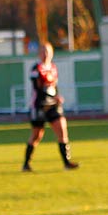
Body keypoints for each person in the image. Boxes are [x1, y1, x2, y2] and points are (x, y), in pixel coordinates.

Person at [23, 44, 77, 172]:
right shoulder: (36, 69)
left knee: (62, 130)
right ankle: (26, 164)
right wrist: (52, 96)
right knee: (37, 135)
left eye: (48, 51)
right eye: (43, 51)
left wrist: (57, 96)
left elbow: (54, 86)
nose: (45, 54)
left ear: (52, 53)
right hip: (39, 106)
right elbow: (38, 89)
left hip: (53, 105)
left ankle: (67, 163)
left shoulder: (53, 68)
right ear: (39, 54)